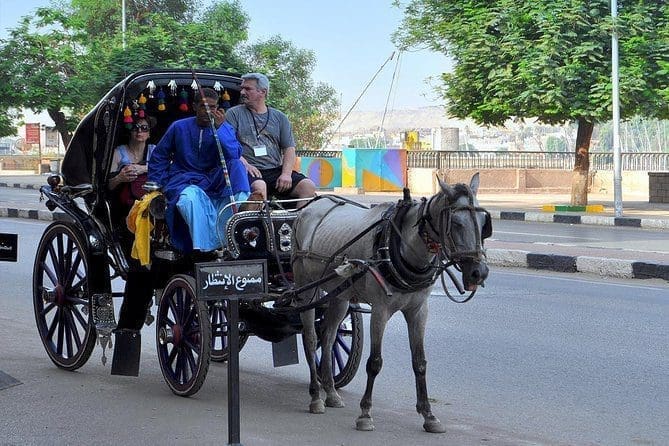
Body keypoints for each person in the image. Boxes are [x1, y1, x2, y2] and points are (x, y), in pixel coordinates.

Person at [148, 87, 250, 254]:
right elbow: (159, 156)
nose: (208, 111)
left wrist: (220, 128)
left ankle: (233, 236)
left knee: (237, 165)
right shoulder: (178, 127)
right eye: (203, 106)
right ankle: (203, 249)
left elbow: (234, 154)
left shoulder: (223, 127)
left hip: (213, 179)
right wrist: (159, 183)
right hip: (184, 178)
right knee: (189, 199)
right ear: (194, 106)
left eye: (213, 107)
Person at [225, 72, 316, 207]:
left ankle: (297, 226)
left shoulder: (280, 117)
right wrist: (245, 164)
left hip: (275, 170)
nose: (242, 92)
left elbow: (289, 148)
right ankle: (260, 228)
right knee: (260, 187)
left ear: (263, 92)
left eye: (247, 89)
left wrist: (286, 174)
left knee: (308, 186)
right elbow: (228, 145)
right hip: (248, 170)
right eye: (242, 88)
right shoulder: (233, 114)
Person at [107, 116, 157, 331]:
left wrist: (143, 169)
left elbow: (169, 170)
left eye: (144, 128)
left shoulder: (155, 151)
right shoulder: (120, 152)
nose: (140, 132)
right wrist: (121, 177)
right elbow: (107, 184)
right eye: (136, 128)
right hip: (126, 209)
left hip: (153, 206)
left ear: (149, 132)